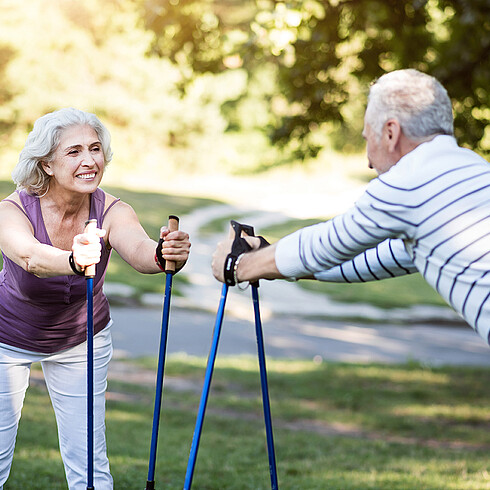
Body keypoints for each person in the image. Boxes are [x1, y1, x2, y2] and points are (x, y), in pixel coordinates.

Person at [212, 68, 490, 347]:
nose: (368, 162)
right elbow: (363, 260)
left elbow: (326, 246)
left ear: (391, 133)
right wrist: (265, 250)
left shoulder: (410, 179)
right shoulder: (473, 170)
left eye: (368, 139)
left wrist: (237, 265)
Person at [0, 108, 191, 489]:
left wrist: (163, 255)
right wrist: (72, 259)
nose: (89, 160)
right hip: (7, 340)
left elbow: (138, 249)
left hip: (81, 340)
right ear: (48, 164)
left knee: (90, 466)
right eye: (74, 152)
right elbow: (29, 256)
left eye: (95, 149)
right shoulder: (12, 209)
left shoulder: (113, 210)